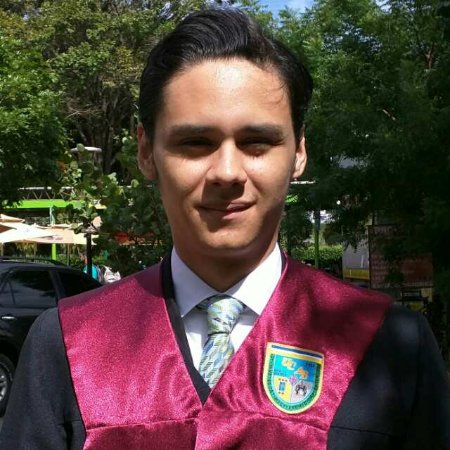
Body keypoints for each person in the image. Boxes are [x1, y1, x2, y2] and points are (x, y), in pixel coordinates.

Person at [1, 8, 449, 450]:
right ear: (146, 152)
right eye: (196, 143)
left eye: (257, 142)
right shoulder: (69, 343)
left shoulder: (387, 343)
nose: (228, 172)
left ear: (298, 153)